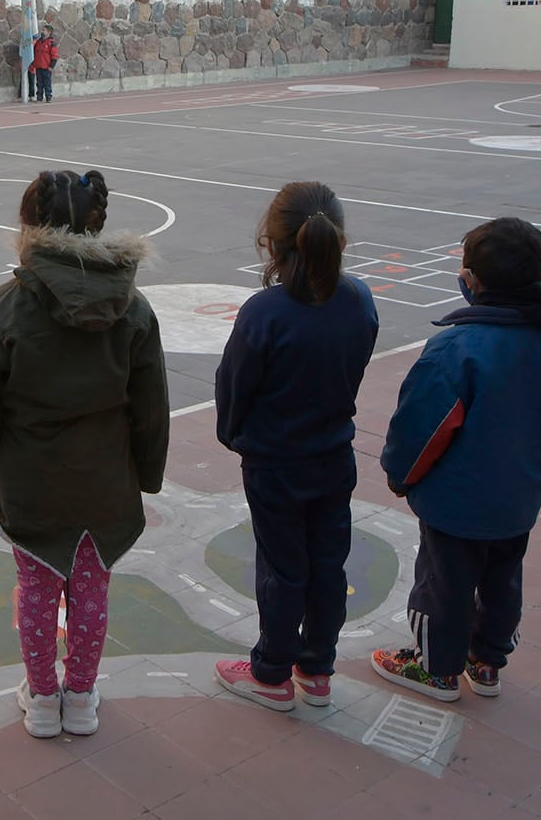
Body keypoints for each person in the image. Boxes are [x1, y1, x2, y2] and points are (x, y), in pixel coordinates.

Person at [0, 170, 170, 738]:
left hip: (30, 480)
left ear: (28, 226)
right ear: (98, 225)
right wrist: (146, 475)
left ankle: (43, 698)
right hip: (105, 479)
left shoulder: (1, 311)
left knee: (36, 586)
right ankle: (81, 695)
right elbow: (151, 406)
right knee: (92, 588)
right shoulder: (135, 309)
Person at [372, 217, 541, 702]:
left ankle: (437, 668)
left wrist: (400, 476)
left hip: (456, 501)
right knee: (503, 578)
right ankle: (487, 661)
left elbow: (422, 428)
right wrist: (529, 464)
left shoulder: (456, 348)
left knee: (443, 583)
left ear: (471, 281)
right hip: (519, 498)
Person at [211, 182, 379, 712]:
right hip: (333, 453)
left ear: (272, 242)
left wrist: (236, 436)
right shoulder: (359, 300)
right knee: (329, 562)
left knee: (283, 567)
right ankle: (316, 668)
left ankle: (271, 672)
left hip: (276, 461)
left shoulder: (266, 312)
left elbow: (234, 386)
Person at [31, 25, 57, 103]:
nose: (42, 31)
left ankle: (48, 96)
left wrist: (51, 66)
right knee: (39, 82)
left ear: (49, 32)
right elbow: (34, 52)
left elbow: (54, 55)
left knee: (47, 82)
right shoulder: (38, 41)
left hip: (46, 66)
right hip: (38, 65)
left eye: (44, 30)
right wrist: (33, 63)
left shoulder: (51, 43)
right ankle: (39, 97)